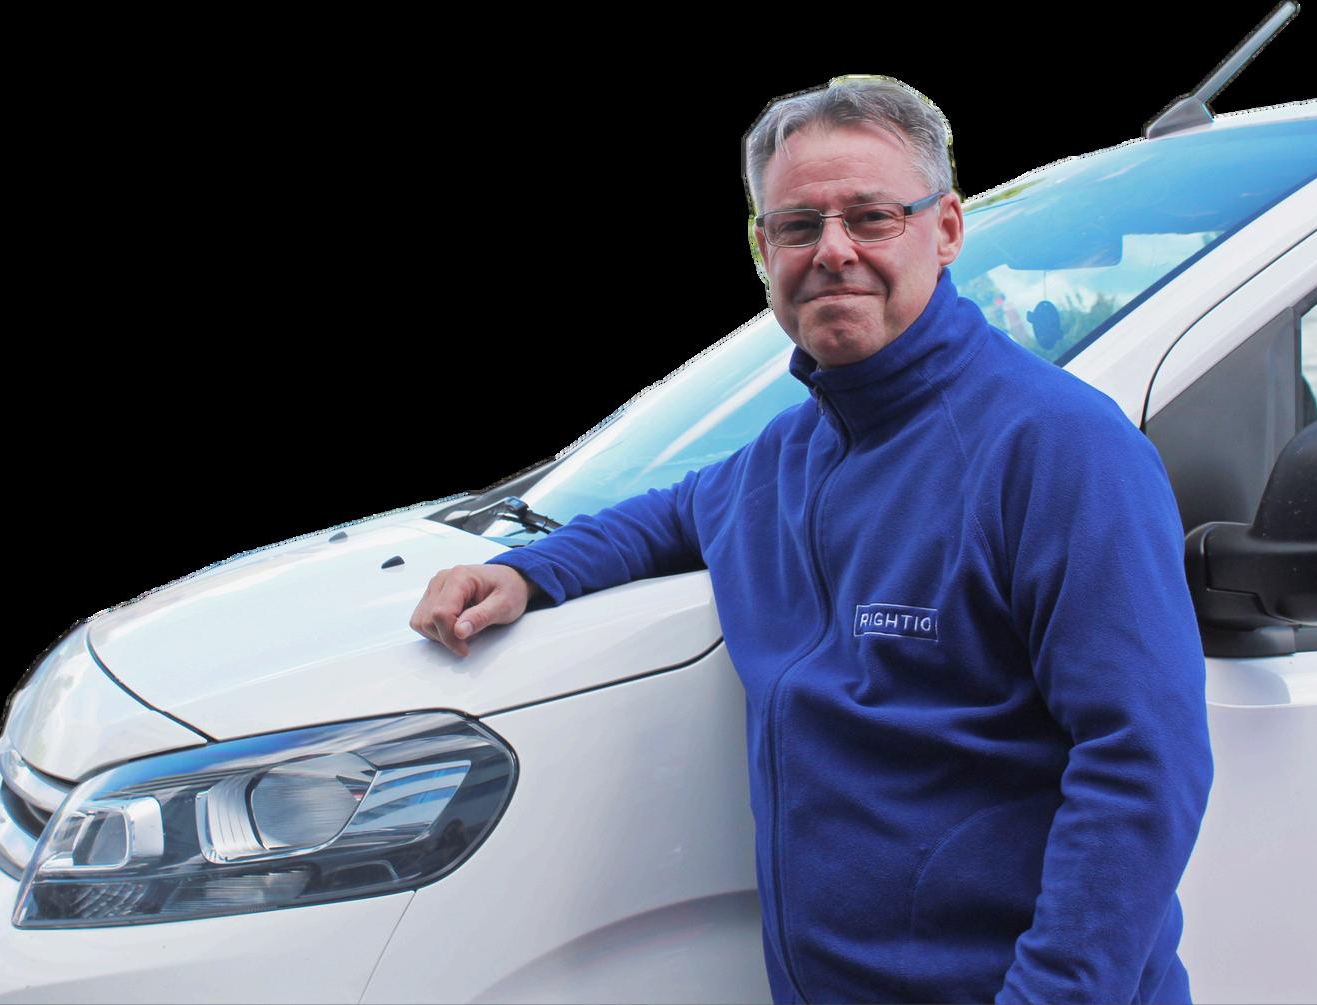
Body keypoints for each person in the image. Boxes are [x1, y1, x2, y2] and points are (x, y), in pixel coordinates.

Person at [410, 75, 1214, 1004]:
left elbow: (1142, 764)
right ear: (764, 251)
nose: (832, 250)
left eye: (871, 217)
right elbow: (672, 513)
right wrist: (526, 573)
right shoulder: (791, 454)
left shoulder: (1060, 450)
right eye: (797, 226)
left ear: (945, 229)